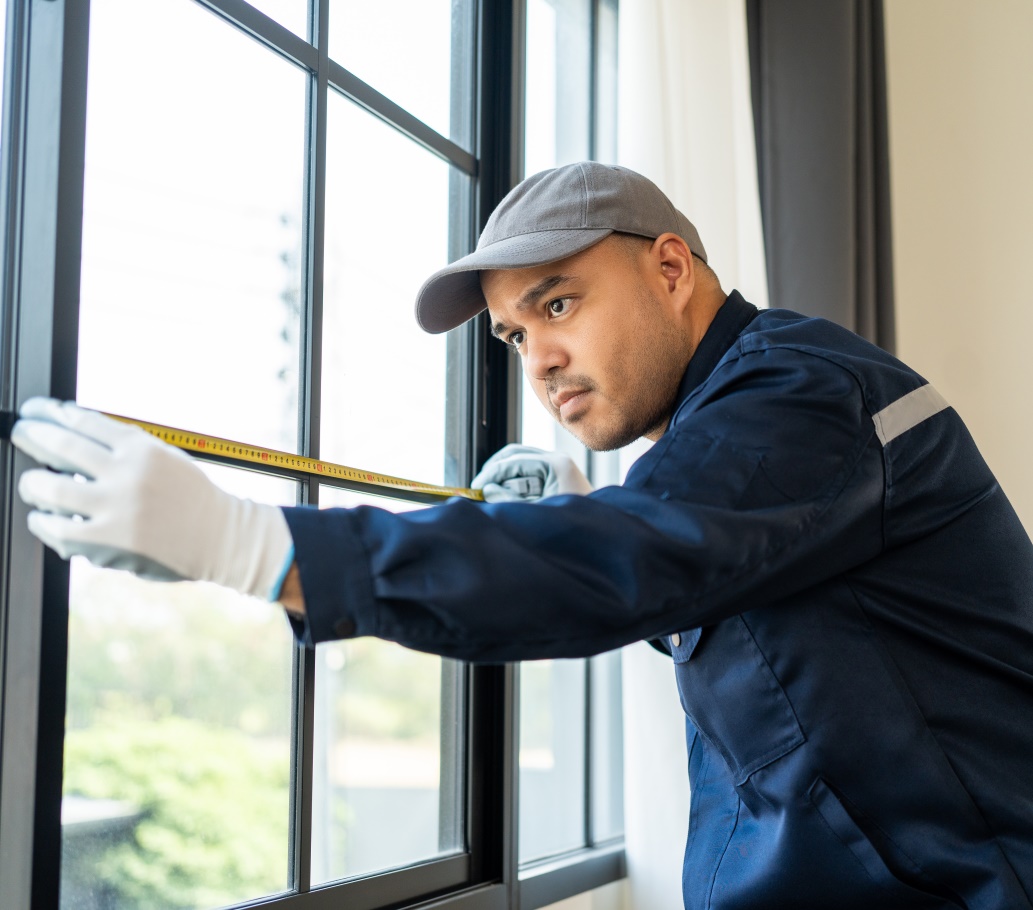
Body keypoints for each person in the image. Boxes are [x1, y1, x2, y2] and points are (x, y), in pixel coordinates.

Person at [11, 162, 1033, 909]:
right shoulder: (738, 427)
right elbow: (749, 607)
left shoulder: (802, 394)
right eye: (514, 333)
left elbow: (634, 562)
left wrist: (258, 546)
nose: (537, 361)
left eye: (559, 302)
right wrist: (580, 512)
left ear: (671, 267)